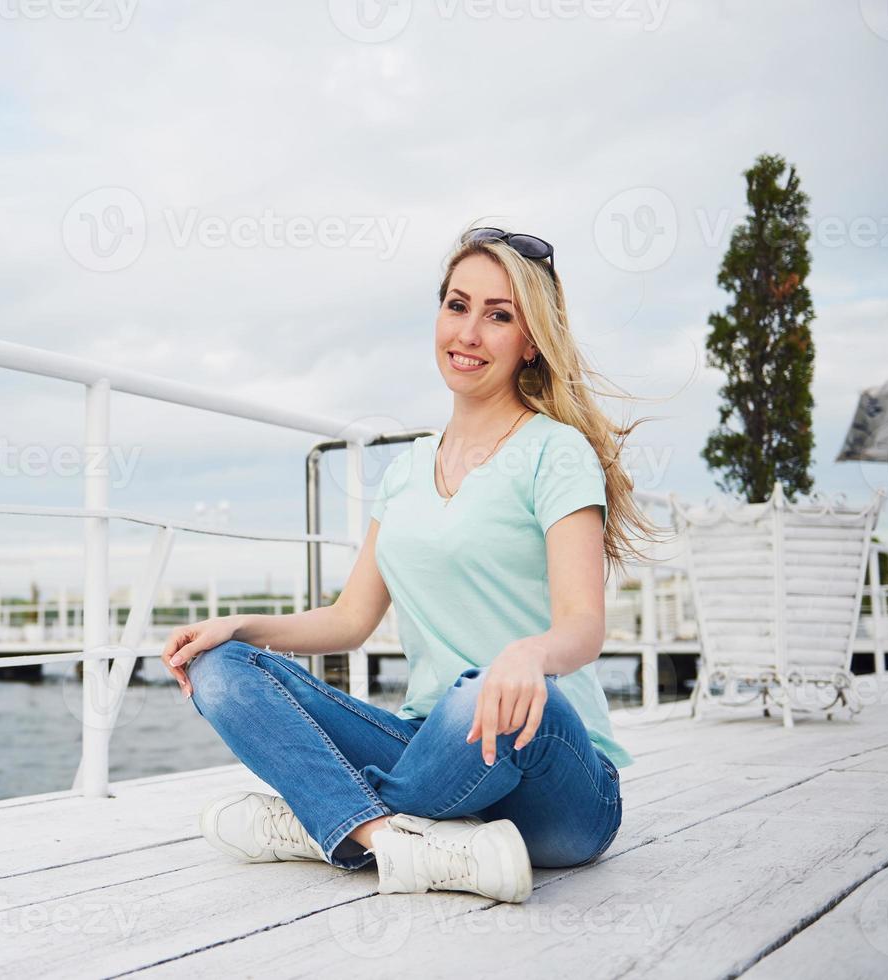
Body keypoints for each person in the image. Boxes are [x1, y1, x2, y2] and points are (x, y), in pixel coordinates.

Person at [160, 224, 667, 904]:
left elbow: (582, 627)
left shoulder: (557, 452)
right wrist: (238, 626)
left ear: (529, 342)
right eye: (456, 306)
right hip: (432, 751)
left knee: (477, 693)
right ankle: (395, 840)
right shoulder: (404, 471)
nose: (468, 333)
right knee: (218, 670)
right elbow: (348, 620)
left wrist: (526, 656)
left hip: (551, 777)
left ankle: (323, 821)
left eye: (498, 316)